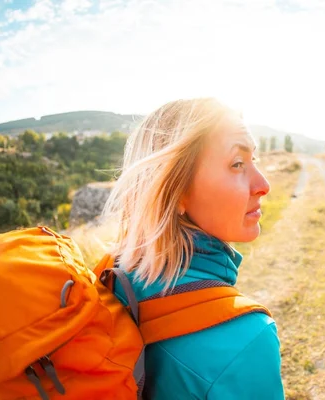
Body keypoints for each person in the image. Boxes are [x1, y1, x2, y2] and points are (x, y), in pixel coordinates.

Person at [102, 98, 285, 399]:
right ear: (175, 190)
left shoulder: (112, 279)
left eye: (255, 161)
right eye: (237, 164)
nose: (263, 184)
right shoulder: (247, 340)